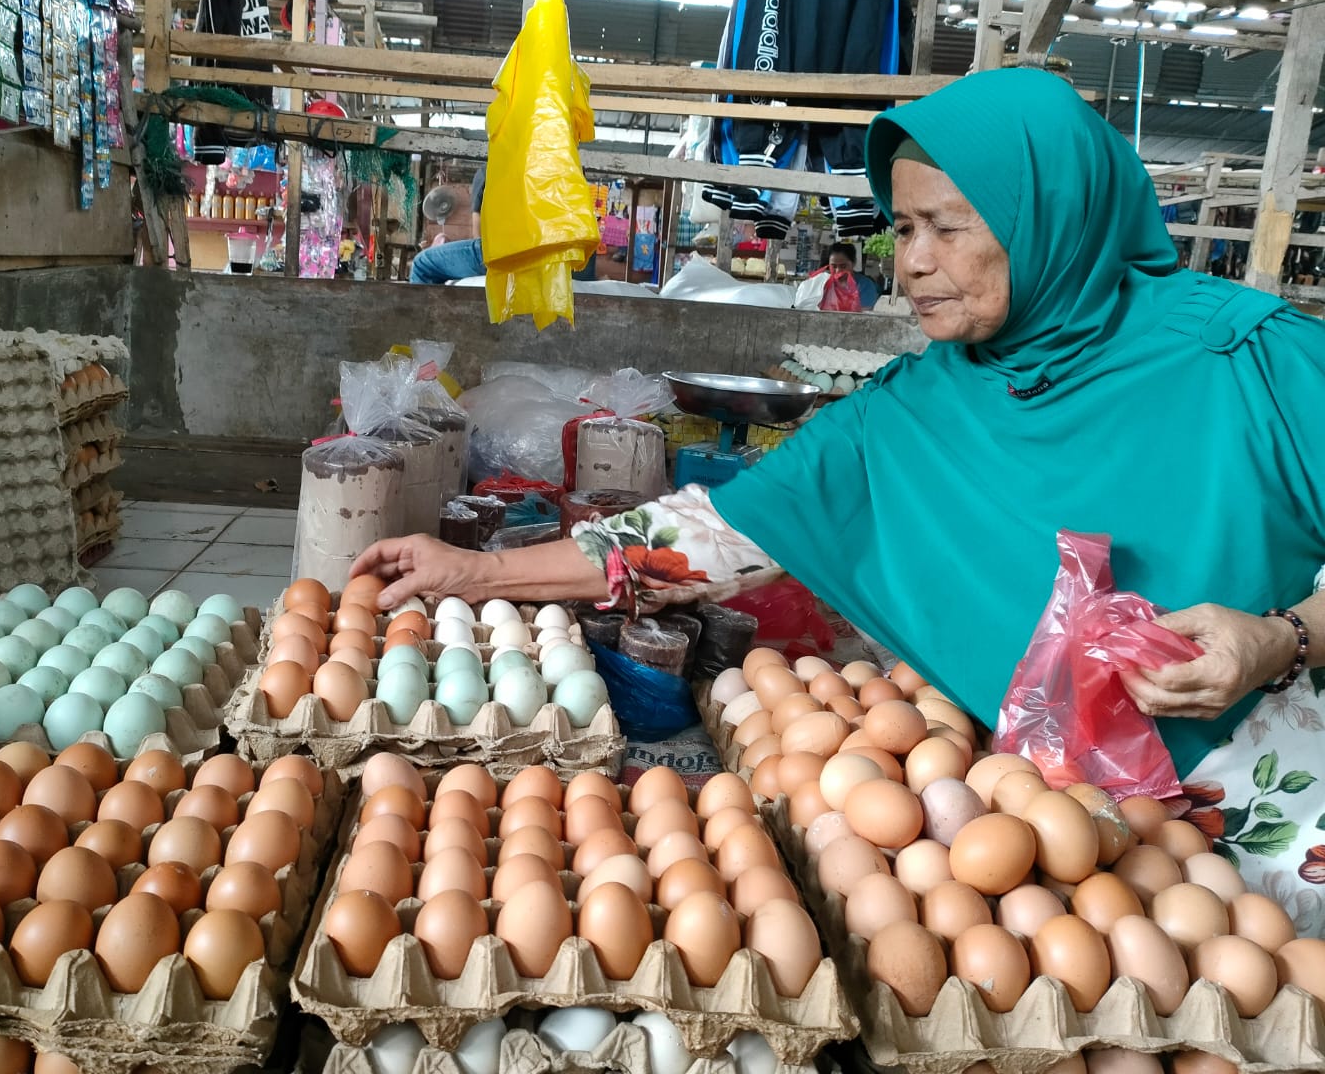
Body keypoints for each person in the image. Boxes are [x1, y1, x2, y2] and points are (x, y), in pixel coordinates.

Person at [354, 68, 1325, 930]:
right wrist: (480, 569)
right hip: (1067, 846)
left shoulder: (1247, 362)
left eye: (947, 226)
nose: (910, 262)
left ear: (1049, 213)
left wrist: (1281, 634)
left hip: (1270, 813)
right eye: (901, 227)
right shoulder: (917, 413)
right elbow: (715, 533)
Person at [409, 165, 597, 285]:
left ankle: (422, 336)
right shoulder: (570, 165)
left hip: (519, 250)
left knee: (422, 264)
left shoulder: (489, 170)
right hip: (575, 256)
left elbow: (478, 222)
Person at [792, 243, 862, 311]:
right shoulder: (821, 283)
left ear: (854, 263)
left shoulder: (864, 286)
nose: (838, 271)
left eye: (843, 266)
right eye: (833, 266)